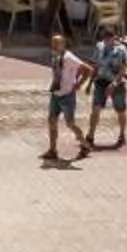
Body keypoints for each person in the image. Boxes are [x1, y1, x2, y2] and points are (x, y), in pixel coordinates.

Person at [45, 33, 93, 163]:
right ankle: (52, 149)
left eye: (56, 44)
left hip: (67, 95)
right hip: (56, 94)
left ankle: (84, 144)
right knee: (51, 121)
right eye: (52, 43)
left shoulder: (69, 57)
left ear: (63, 44)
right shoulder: (55, 56)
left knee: (70, 123)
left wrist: (79, 84)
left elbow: (88, 70)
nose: (53, 46)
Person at [82, 25, 127, 156]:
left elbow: (123, 69)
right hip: (101, 82)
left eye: (109, 37)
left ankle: (122, 133)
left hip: (117, 84)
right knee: (95, 109)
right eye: (105, 37)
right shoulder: (99, 47)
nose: (107, 40)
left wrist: (114, 84)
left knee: (120, 110)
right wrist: (89, 84)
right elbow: (95, 66)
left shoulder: (121, 50)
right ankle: (90, 135)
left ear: (114, 37)